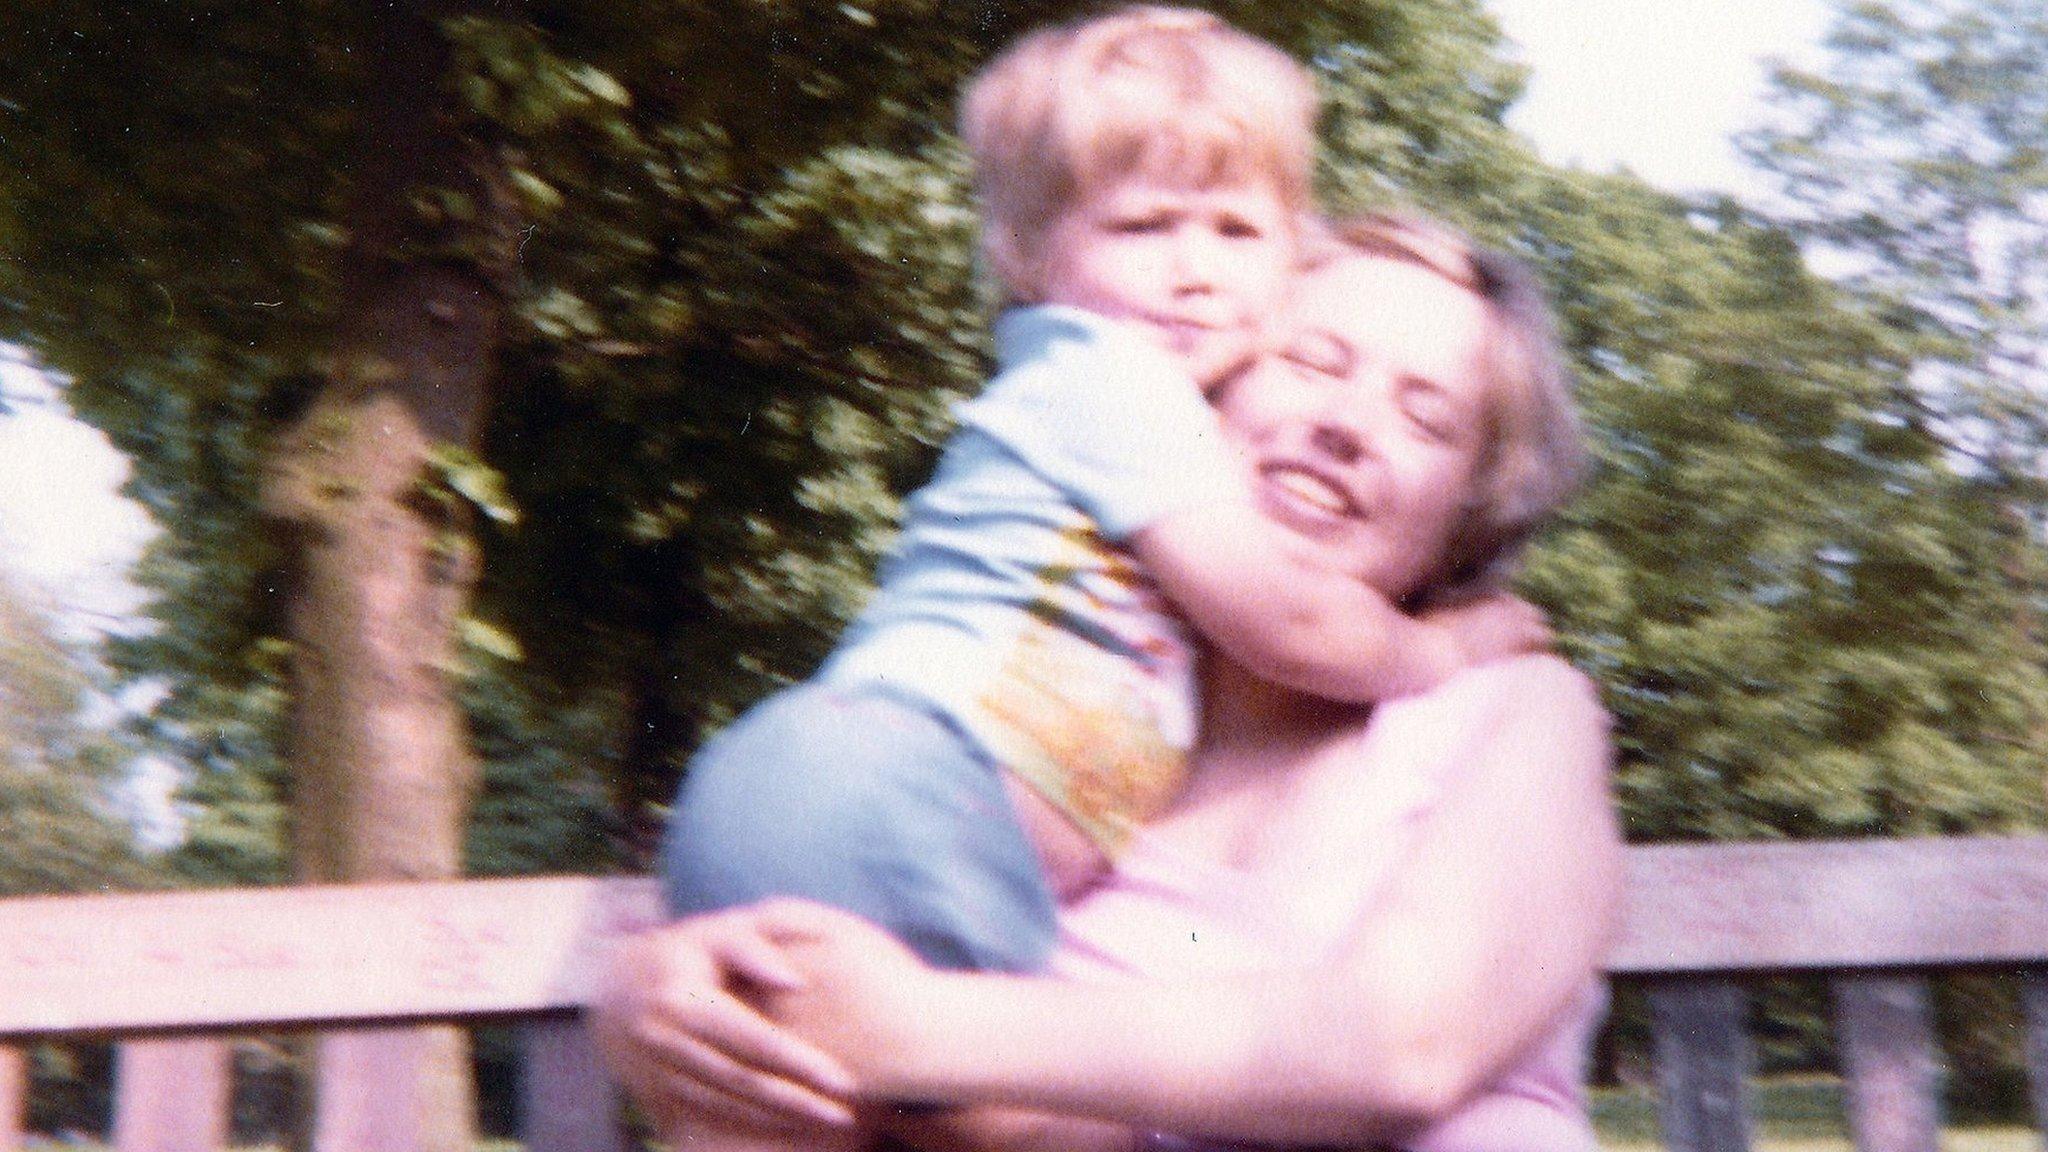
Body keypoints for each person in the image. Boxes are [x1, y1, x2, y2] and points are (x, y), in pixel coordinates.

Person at [596, 214, 1622, 1152]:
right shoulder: (1044, 743)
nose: (1345, 425)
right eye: (1311, 361)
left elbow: (1401, 1046)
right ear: (1199, 391)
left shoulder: (1515, 713)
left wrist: (904, 1027)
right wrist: (669, 1003)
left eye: (1425, 419)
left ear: (1467, 516)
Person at [662, 1, 1544, 1004]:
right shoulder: (1106, 380)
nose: (1194, 272)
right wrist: (1448, 648)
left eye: (1236, 231)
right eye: (1143, 226)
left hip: (873, 806)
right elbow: (1290, 621)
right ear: (1030, 258)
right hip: (902, 800)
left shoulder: (1136, 421)